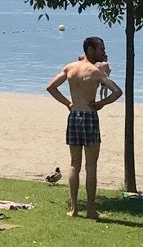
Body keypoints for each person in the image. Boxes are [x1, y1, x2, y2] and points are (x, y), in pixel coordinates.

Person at [46, 35, 122, 220]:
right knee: (91, 165)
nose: (104, 52)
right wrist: (101, 103)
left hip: (74, 116)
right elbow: (117, 91)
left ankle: (74, 208)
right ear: (90, 49)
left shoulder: (70, 68)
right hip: (89, 116)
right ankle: (90, 209)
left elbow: (51, 87)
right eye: (101, 49)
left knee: (74, 164)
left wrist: (68, 104)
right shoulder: (95, 71)